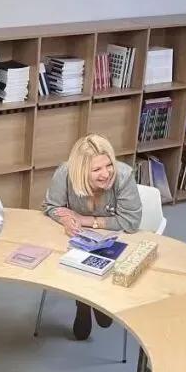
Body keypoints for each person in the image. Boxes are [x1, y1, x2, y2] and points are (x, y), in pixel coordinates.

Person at [41, 133, 142, 340]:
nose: (106, 174)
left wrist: (84, 219)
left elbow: (130, 222)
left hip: (116, 239)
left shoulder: (123, 176)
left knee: (101, 264)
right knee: (73, 261)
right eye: (96, 170)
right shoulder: (65, 173)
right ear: (80, 171)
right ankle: (83, 305)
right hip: (78, 239)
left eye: (109, 165)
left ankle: (96, 301)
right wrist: (66, 220)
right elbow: (51, 206)